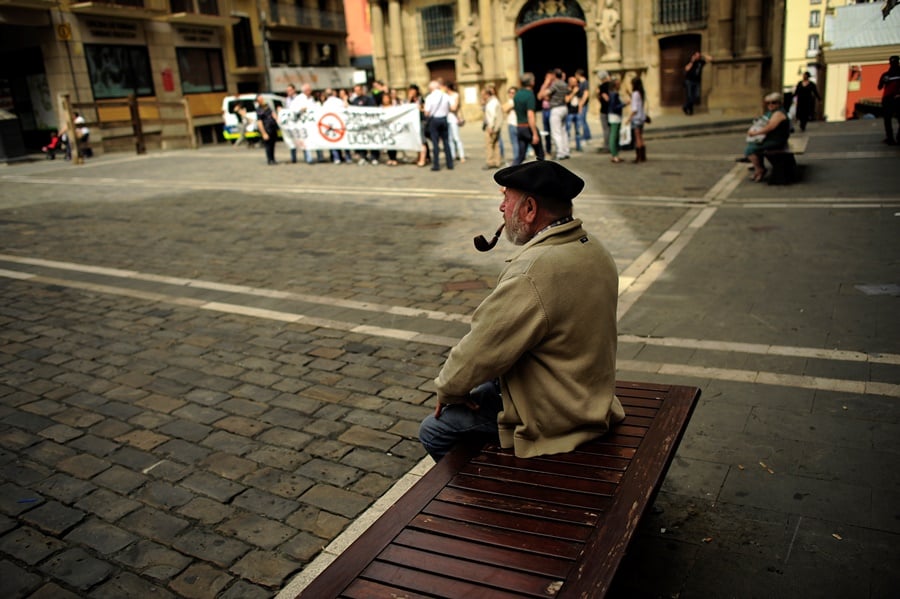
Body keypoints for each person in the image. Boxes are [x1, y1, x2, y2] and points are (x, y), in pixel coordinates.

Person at [418, 160, 625, 461]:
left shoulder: (533, 271)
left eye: (506, 198)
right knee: (487, 384)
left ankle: (489, 503)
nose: (502, 208)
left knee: (434, 430)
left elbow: (480, 349)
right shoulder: (594, 247)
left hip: (556, 414)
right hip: (590, 394)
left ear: (529, 209)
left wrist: (449, 390)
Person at [743, 92, 790, 182]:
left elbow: (770, 127)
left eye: (773, 102)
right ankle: (759, 169)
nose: (770, 105)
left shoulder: (778, 114)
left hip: (776, 139)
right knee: (754, 146)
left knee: (750, 150)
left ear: (779, 103)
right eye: (768, 103)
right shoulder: (771, 112)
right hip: (769, 137)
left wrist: (755, 134)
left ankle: (759, 170)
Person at [512, 73, 545, 165]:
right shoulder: (529, 95)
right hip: (528, 128)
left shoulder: (517, 95)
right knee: (540, 155)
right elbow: (530, 115)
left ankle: (509, 172)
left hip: (519, 127)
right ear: (531, 82)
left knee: (520, 156)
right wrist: (534, 134)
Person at [538, 68, 570, 160]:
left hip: (556, 109)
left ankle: (560, 153)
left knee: (556, 132)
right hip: (564, 107)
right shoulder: (564, 83)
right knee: (563, 131)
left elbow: (543, 94)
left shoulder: (556, 84)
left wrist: (545, 85)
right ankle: (566, 150)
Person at [424, 80, 453, 171]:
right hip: (444, 119)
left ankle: (436, 165)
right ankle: (450, 164)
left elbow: (427, 113)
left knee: (435, 143)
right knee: (446, 142)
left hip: (434, 120)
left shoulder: (429, 97)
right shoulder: (445, 96)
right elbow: (451, 107)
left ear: (431, 89)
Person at [877, 55, 900, 145]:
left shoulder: (886, 75)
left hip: (888, 99)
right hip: (898, 99)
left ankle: (890, 138)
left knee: (887, 119)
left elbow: (879, 87)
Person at [683, 51, 712, 115]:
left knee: (697, 95)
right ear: (694, 56)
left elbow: (710, 59)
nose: (697, 57)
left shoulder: (701, 62)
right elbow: (687, 69)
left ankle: (685, 106)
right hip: (689, 81)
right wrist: (692, 62)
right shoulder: (690, 61)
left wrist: (703, 55)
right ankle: (690, 111)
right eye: (696, 56)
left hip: (697, 81)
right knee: (690, 96)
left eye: (699, 56)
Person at [481, 85, 503, 170]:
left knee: (489, 144)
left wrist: (490, 127)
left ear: (487, 94)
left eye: (483, 94)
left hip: (492, 127)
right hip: (496, 126)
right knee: (496, 144)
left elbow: (492, 116)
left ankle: (490, 162)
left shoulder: (492, 103)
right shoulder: (494, 101)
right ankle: (497, 161)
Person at [446, 81, 466, 163]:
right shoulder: (445, 96)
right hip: (447, 118)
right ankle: (453, 155)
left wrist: (446, 108)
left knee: (456, 138)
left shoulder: (455, 95)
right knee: (449, 139)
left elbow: (454, 108)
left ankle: (462, 155)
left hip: (454, 119)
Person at [255, 95, 279, 165]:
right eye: (260, 99)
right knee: (268, 145)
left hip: (273, 128)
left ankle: (273, 159)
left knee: (273, 144)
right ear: (258, 101)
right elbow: (259, 122)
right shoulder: (259, 109)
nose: (262, 100)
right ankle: (270, 159)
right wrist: (264, 133)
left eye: (262, 98)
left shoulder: (268, 106)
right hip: (266, 128)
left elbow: (273, 114)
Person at [628, 76, 648, 163]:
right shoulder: (641, 92)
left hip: (636, 118)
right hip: (642, 117)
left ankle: (638, 157)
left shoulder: (635, 94)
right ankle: (643, 156)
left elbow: (634, 109)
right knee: (641, 136)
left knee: (637, 138)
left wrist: (629, 118)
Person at [607, 78, 625, 163]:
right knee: (614, 136)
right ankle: (614, 155)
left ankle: (616, 154)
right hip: (614, 116)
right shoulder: (614, 94)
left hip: (615, 116)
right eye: (618, 84)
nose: (620, 85)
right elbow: (614, 107)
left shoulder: (614, 93)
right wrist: (624, 104)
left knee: (616, 136)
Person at [565, 76, 583, 152]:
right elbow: (567, 100)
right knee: (568, 131)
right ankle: (567, 147)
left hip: (577, 113)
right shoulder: (566, 90)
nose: (576, 83)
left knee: (578, 131)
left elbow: (579, 100)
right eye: (574, 82)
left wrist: (580, 110)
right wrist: (573, 92)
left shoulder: (578, 89)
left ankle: (579, 146)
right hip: (569, 113)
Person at [596, 70, 611, 153]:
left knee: (606, 129)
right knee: (610, 129)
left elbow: (605, 98)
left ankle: (607, 146)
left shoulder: (602, 87)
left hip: (604, 110)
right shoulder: (611, 85)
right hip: (611, 110)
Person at [503, 86, 519, 164]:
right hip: (511, 123)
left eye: (513, 93)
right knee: (514, 142)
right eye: (510, 92)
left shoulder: (514, 101)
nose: (511, 94)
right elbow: (503, 108)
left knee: (515, 142)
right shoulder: (511, 101)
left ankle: (516, 158)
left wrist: (507, 107)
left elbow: (504, 109)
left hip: (515, 123)